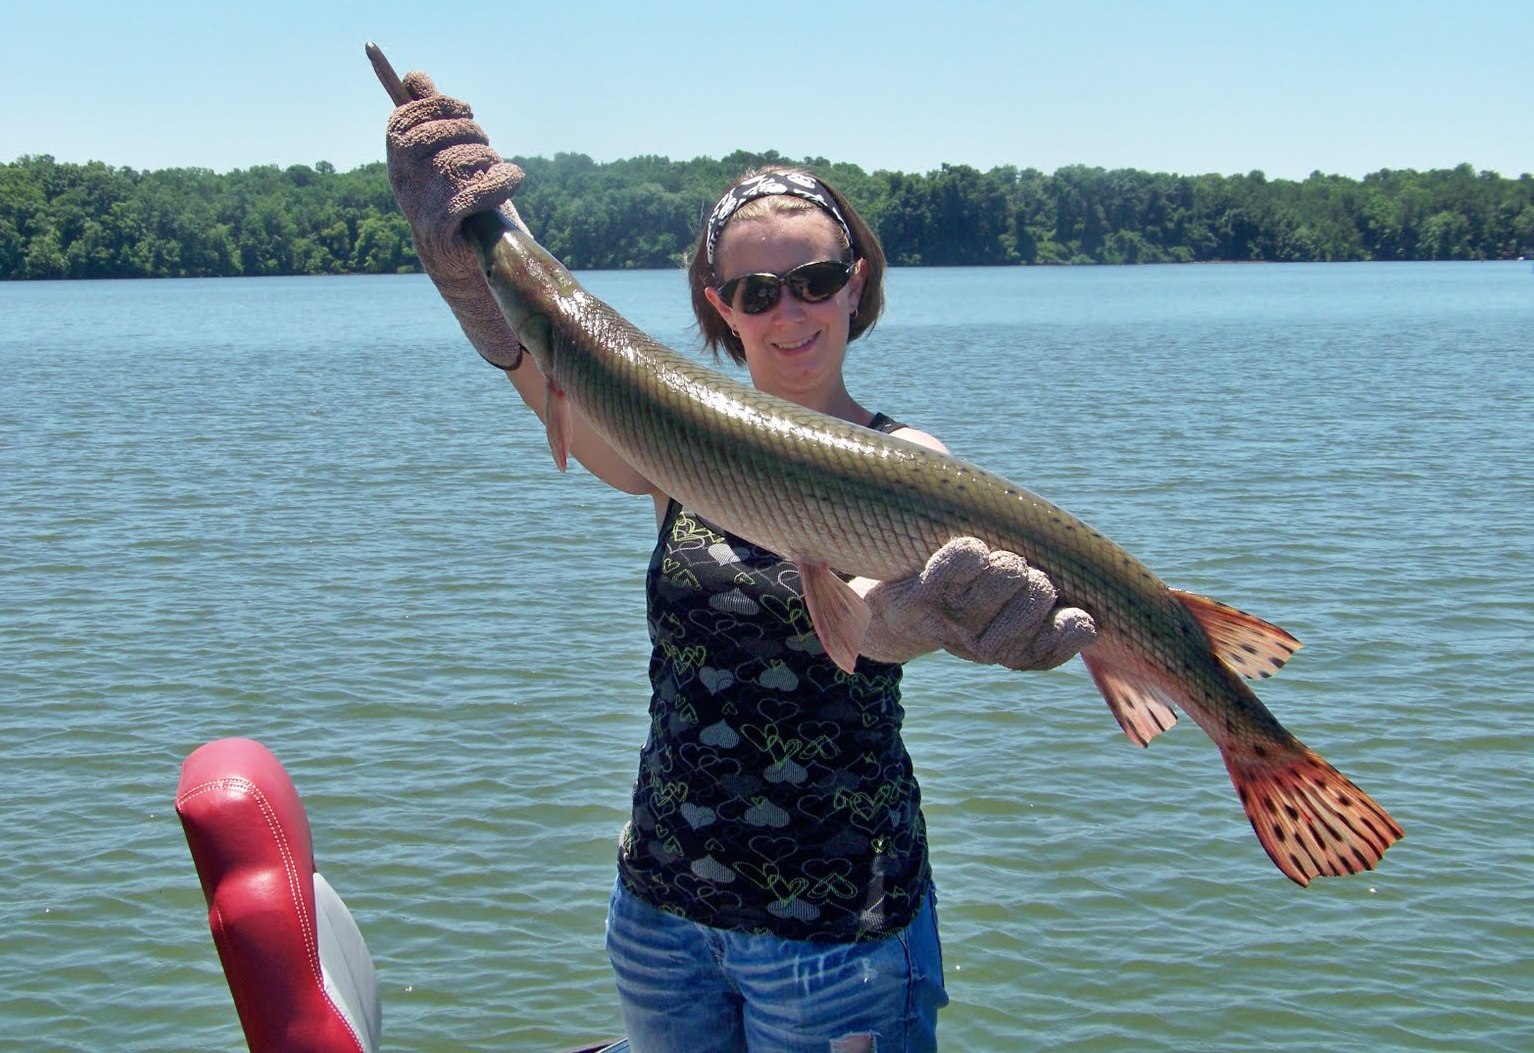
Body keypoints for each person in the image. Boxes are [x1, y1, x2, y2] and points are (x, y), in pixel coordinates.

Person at [385, 72, 1097, 1053]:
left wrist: (912, 621)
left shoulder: (908, 461)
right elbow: (550, 366)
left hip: (836, 933)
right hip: (663, 916)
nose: (789, 311)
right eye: (758, 293)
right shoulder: (675, 448)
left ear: (856, 282)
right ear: (722, 308)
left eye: (814, 280)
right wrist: (474, 270)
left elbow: (874, 625)